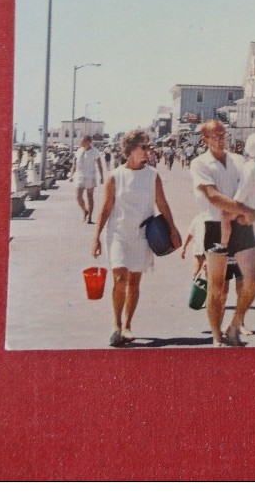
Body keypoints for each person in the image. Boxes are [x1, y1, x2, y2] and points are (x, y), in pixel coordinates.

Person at [91, 130, 181, 347]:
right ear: (130, 150)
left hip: (142, 236)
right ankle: (116, 325)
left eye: (148, 146)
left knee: (134, 282)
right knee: (120, 278)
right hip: (118, 235)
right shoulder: (115, 176)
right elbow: (105, 208)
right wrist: (96, 237)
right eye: (144, 147)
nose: (148, 150)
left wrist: (173, 229)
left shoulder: (152, 175)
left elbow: (162, 204)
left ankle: (128, 325)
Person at [190, 120, 255, 347]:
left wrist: (243, 212)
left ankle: (235, 325)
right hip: (214, 226)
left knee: (251, 280)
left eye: (223, 134)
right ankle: (216, 333)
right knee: (218, 287)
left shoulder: (239, 161)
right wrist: (244, 210)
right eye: (215, 135)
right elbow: (213, 196)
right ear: (205, 139)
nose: (221, 139)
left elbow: (251, 189)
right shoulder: (199, 164)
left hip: (241, 226)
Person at [70, 136, 105, 224]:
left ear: (89, 142)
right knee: (78, 197)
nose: (81, 142)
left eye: (83, 141)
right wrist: (71, 175)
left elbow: (100, 164)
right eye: (81, 141)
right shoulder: (79, 151)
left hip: (90, 176)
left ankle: (90, 217)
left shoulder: (95, 152)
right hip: (80, 176)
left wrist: (101, 176)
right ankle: (85, 210)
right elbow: (74, 164)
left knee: (90, 197)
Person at [180, 212, 209, 279]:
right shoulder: (197, 219)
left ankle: (208, 288)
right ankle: (196, 288)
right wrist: (184, 247)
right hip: (198, 250)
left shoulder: (214, 218)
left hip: (210, 251)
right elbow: (190, 233)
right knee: (196, 273)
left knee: (209, 274)